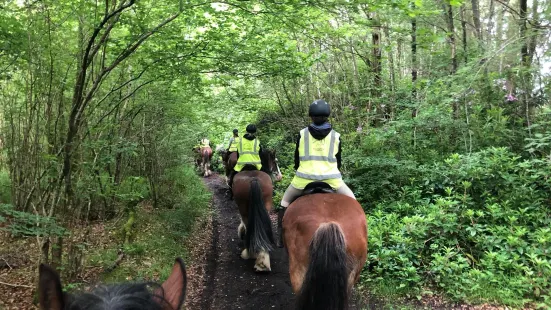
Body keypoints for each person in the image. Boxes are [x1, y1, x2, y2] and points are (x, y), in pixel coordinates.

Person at [277, 99, 356, 246]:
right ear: (328, 116)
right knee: (354, 203)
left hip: (303, 180)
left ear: (311, 116)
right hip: (333, 180)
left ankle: (280, 238)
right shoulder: (336, 136)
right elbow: (338, 161)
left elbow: (297, 159)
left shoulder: (302, 134)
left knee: (284, 202)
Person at [228, 124, 262, 193]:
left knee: (232, 176)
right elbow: (260, 154)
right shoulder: (257, 142)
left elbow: (238, 155)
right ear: (255, 132)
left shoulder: (241, 141)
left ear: (246, 131)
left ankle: (230, 190)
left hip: (242, 165)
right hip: (256, 165)